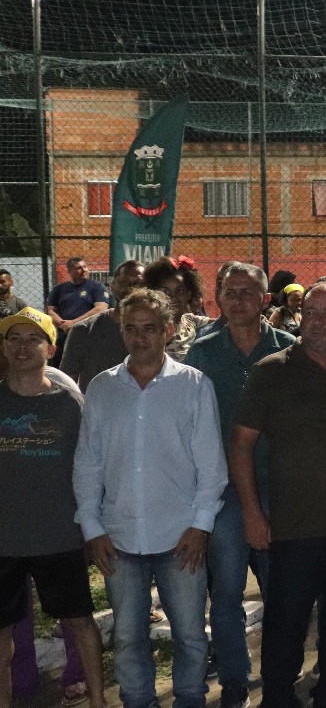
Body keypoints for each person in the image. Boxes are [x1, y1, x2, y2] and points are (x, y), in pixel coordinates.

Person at [228, 282, 326, 708]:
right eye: (310, 312)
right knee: (286, 625)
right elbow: (241, 443)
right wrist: (251, 512)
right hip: (294, 530)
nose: (316, 321)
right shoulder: (271, 371)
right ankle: (278, 698)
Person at [73, 289, 227, 708]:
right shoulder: (103, 389)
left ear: (168, 331)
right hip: (118, 536)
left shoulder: (194, 386)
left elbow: (211, 466)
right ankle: (137, 701)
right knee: (126, 637)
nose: (139, 338)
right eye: (131, 329)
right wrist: (92, 527)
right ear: (121, 331)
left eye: (149, 329)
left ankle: (190, 699)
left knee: (191, 635)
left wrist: (201, 526)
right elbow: (87, 464)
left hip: (181, 537)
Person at [184, 262, 294, 708]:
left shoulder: (289, 350)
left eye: (249, 292)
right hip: (224, 492)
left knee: (281, 593)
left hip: (281, 490)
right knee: (225, 595)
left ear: (266, 300)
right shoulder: (202, 353)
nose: (238, 300)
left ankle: (279, 678)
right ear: (218, 298)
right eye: (230, 292)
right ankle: (234, 683)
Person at [0, 308, 106, 708]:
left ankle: (98, 700)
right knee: (2, 633)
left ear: (51, 347)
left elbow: (93, 467)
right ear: (4, 347)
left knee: (79, 621)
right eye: (15, 339)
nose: (23, 347)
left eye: (33, 339)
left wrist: (93, 526)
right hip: (4, 540)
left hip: (59, 535)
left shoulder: (70, 405)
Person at [61, 261, 143, 392]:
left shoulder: (156, 332)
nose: (131, 288)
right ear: (112, 286)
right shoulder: (83, 330)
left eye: (138, 283)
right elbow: (66, 384)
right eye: (124, 282)